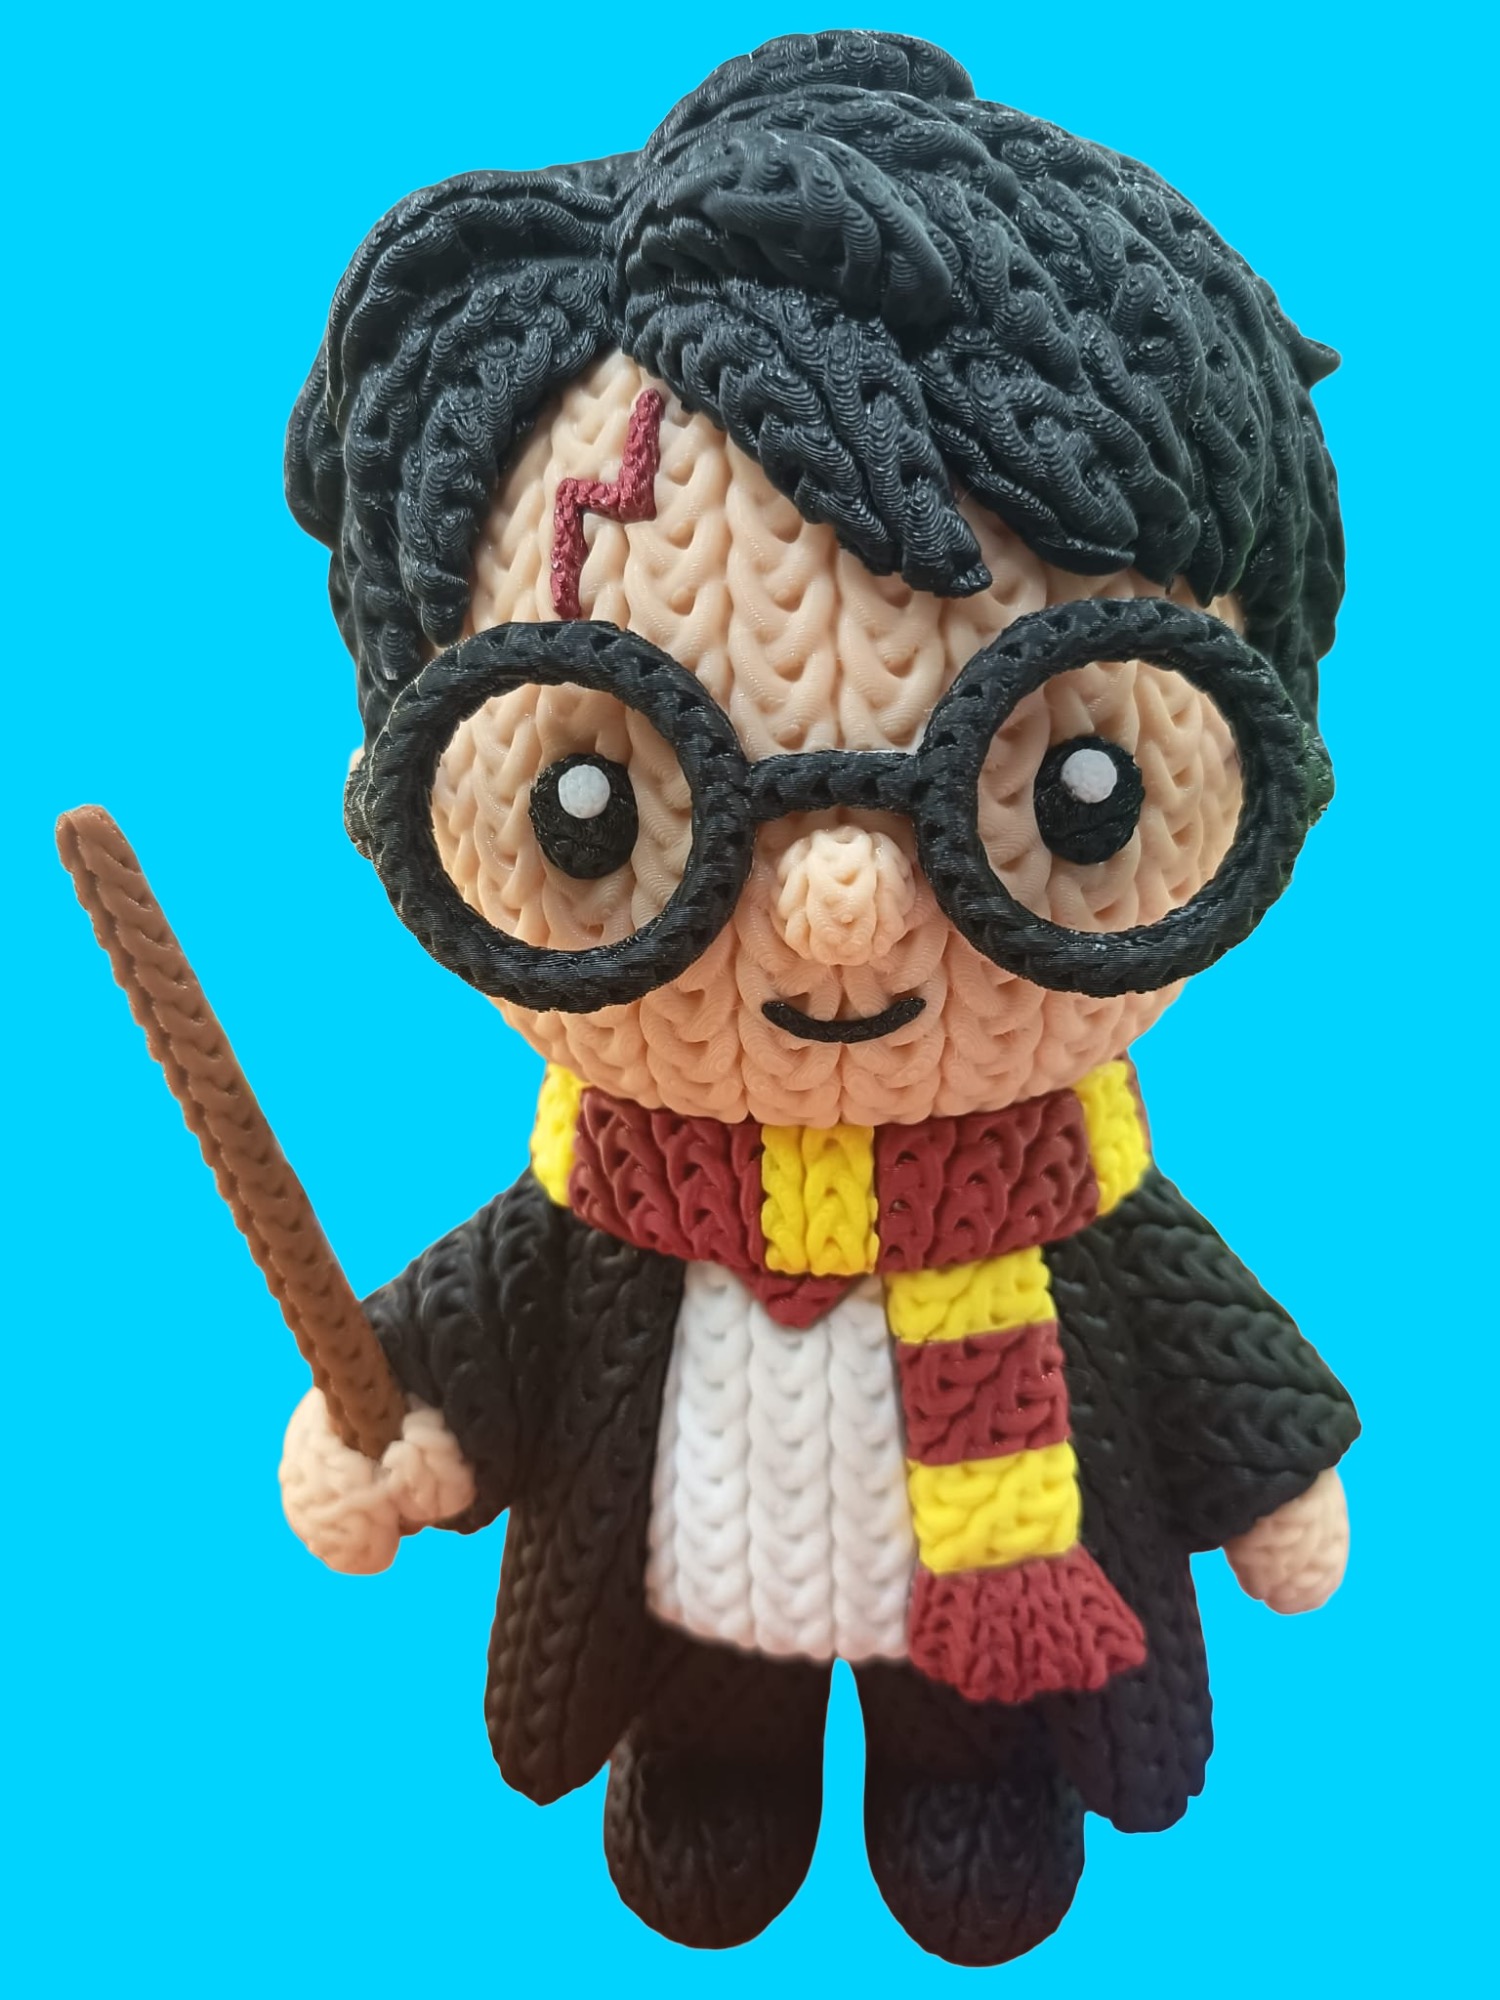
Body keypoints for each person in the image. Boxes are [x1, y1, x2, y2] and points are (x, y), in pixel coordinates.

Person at [278, 29, 1358, 1964]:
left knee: (981, 1794)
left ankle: (971, 1765)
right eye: (598, 813)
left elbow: (1187, 1329)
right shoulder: (610, 1207)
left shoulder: (1070, 1193)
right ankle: (718, 1761)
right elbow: (493, 1324)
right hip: (684, 1610)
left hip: (1000, 1626)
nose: (843, 913)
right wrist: (401, 1421)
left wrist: (1270, 1469)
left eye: (1071, 790)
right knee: (705, 1785)